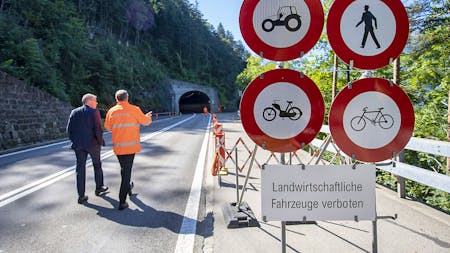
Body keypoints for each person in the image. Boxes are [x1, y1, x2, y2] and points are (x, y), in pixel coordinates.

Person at [104, 89, 152, 210]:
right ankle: (122, 201)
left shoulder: (112, 111)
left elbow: (108, 127)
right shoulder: (134, 109)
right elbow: (146, 122)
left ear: (116, 99)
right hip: (130, 147)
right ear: (127, 98)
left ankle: (128, 188)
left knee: (124, 169)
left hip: (118, 147)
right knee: (126, 172)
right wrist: (147, 117)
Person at [67, 93, 109, 204]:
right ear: (89, 101)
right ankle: (99, 187)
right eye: (95, 101)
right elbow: (98, 129)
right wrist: (100, 142)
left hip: (78, 145)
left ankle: (81, 195)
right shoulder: (94, 112)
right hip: (93, 144)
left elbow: (69, 129)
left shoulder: (74, 112)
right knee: (97, 165)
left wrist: (74, 141)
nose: (97, 103)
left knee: (80, 169)